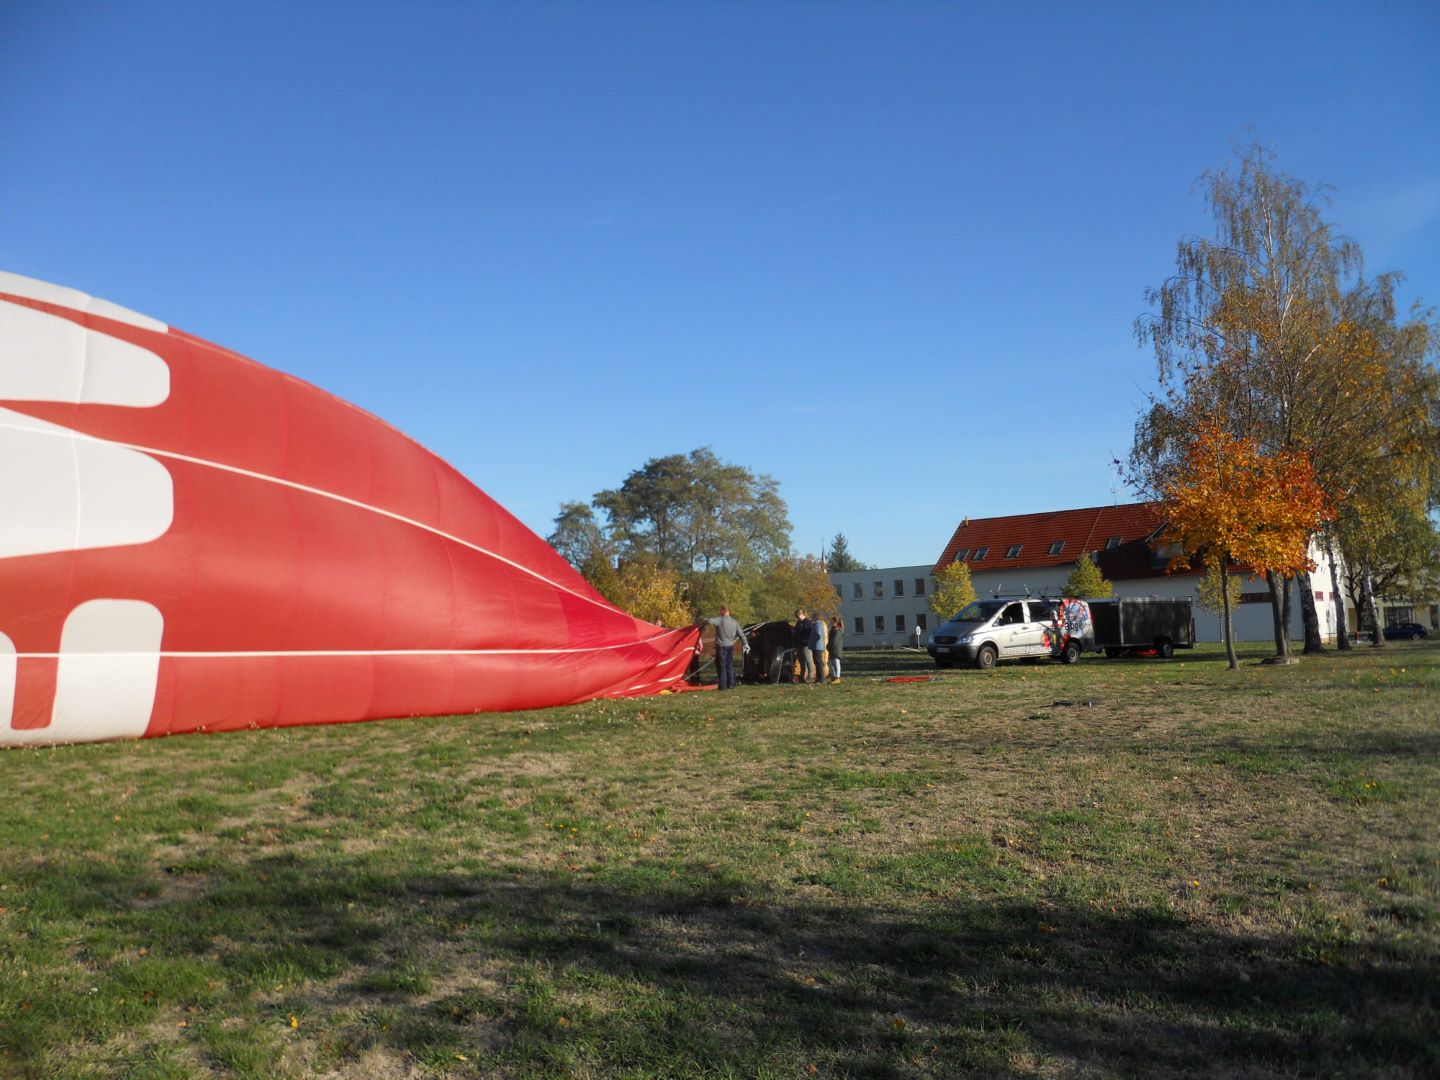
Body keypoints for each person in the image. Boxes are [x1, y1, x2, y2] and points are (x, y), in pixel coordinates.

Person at [701, 605, 748, 691]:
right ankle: (731, 684)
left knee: (722, 666)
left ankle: (723, 686)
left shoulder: (720, 620)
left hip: (721, 647)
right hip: (730, 647)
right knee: (729, 665)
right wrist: (746, 644)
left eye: (720, 611)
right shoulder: (734, 622)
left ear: (723, 611)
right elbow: (741, 635)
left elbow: (709, 620)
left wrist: (703, 619)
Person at [793, 608, 813, 684]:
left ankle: (811, 676)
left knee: (808, 661)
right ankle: (802, 676)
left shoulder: (808, 622)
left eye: (798, 616)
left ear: (802, 615)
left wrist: (806, 641)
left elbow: (810, 633)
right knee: (801, 662)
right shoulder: (798, 623)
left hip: (806, 645)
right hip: (799, 645)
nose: (797, 618)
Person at [809, 611, 828, 685]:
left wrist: (813, 642)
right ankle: (819, 678)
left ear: (815, 617)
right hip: (817, 646)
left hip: (817, 646)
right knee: (817, 662)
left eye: (812, 617)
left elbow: (818, 634)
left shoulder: (818, 624)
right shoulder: (818, 623)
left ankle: (821, 679)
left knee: (818, 662)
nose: (811, 618)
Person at [829, 616, 845, 681]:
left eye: (832, 622)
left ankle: (837, 677)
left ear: (836, 622)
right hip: (831, 648)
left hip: (836, 649)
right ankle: (833, 676)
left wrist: (829, 645)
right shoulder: (832, 630)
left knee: (836, 662)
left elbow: (834, 640)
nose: (831, 623)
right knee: (831, 663)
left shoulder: (838, 630)